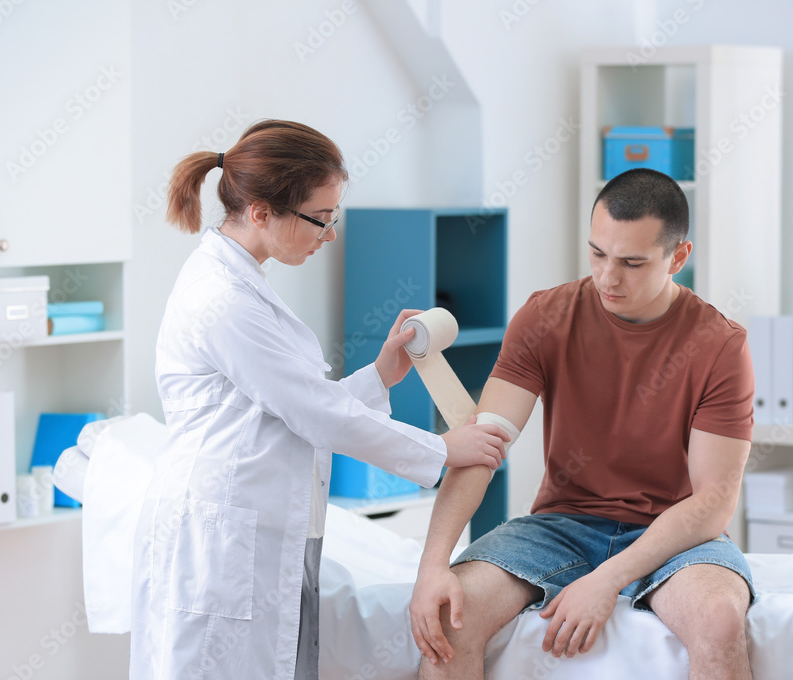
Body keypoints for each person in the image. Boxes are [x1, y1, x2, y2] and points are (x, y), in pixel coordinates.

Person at [129, 119, 509, 680]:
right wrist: (441, 449)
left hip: (270, 526)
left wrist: (381, 375)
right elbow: (314, 414)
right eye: (321, 220)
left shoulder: (244, 284)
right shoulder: (222, 300)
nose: (330, 236)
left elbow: (290, 405)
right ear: (261, 212)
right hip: (223, 539)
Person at [409, 168, 756, 679]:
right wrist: (433, 566)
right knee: (449, 616)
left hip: (674, 532)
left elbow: (713, 501)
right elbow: (482, 445)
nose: (608, 277)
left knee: (720, 620)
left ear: (678, 258)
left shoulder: (721, 345)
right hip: (563, 524)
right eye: (598, 254)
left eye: (633, 263)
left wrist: (606, 581)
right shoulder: (546, 316)